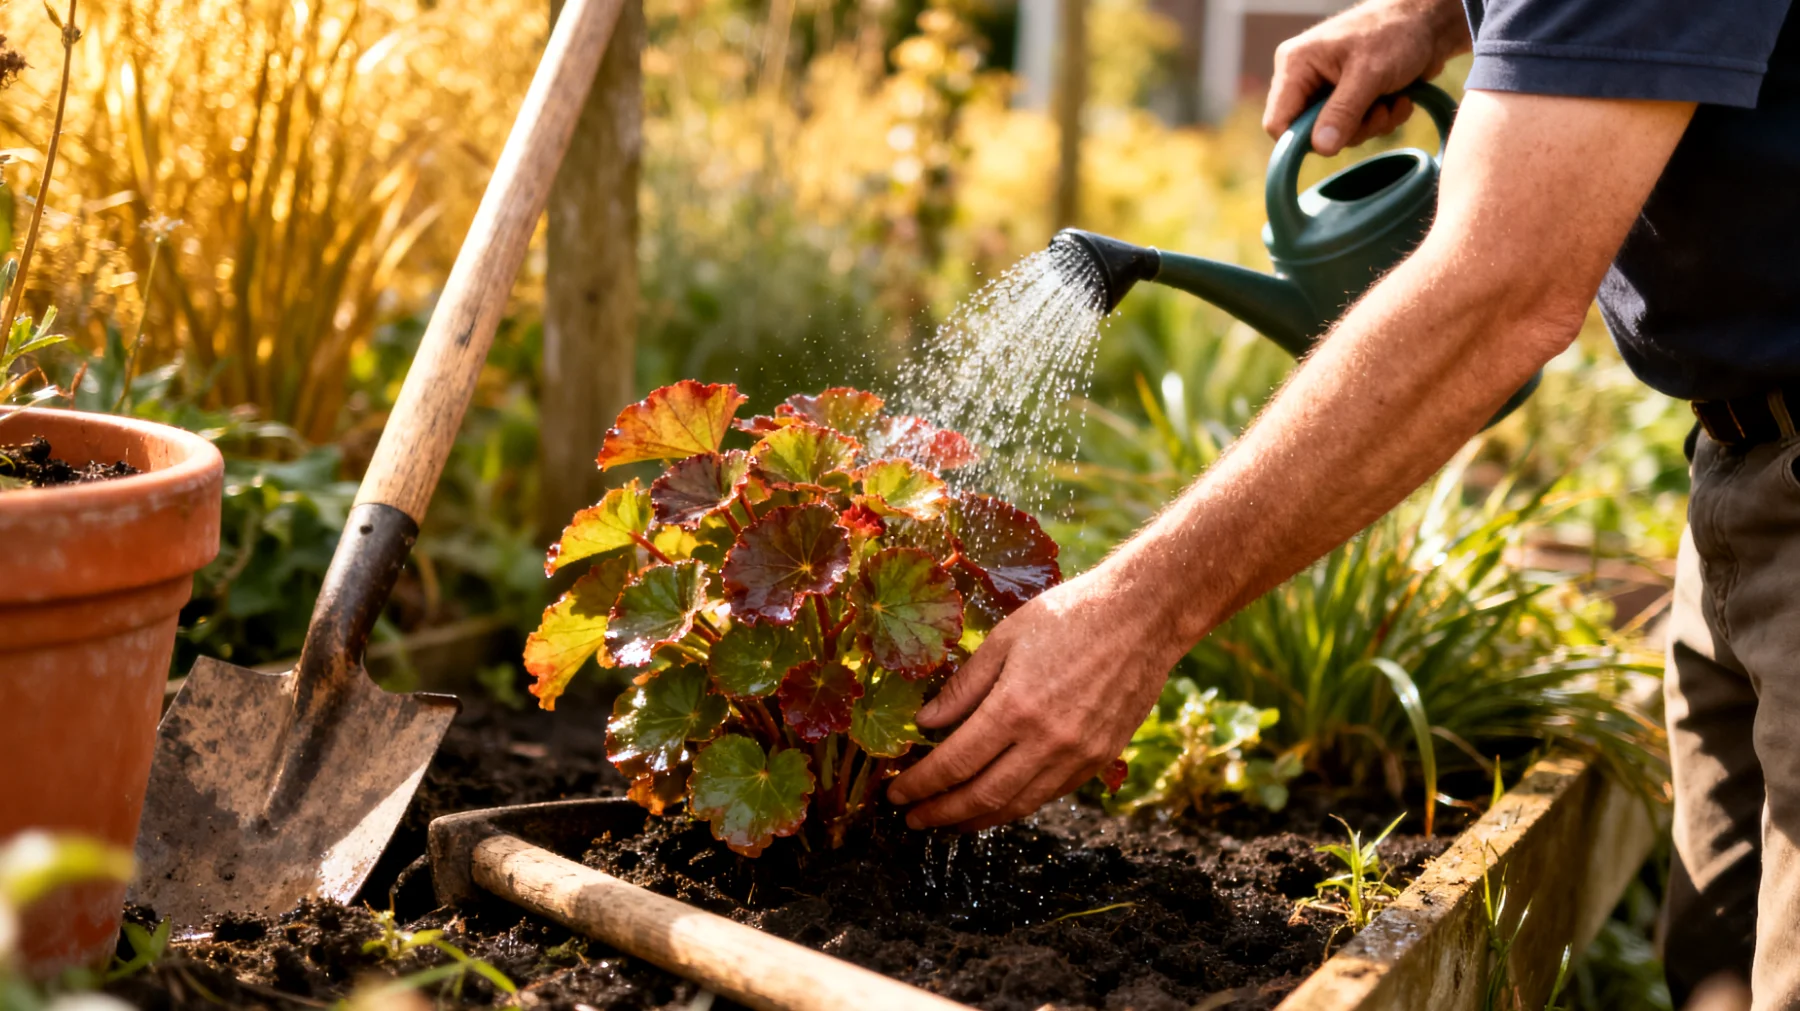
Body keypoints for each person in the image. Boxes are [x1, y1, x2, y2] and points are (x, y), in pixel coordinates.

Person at [884, 0, 1800, 1005]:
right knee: (1720, 964)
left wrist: (1134, 617)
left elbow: (1498, 292)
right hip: (1739, 458)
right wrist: (1437, 17)